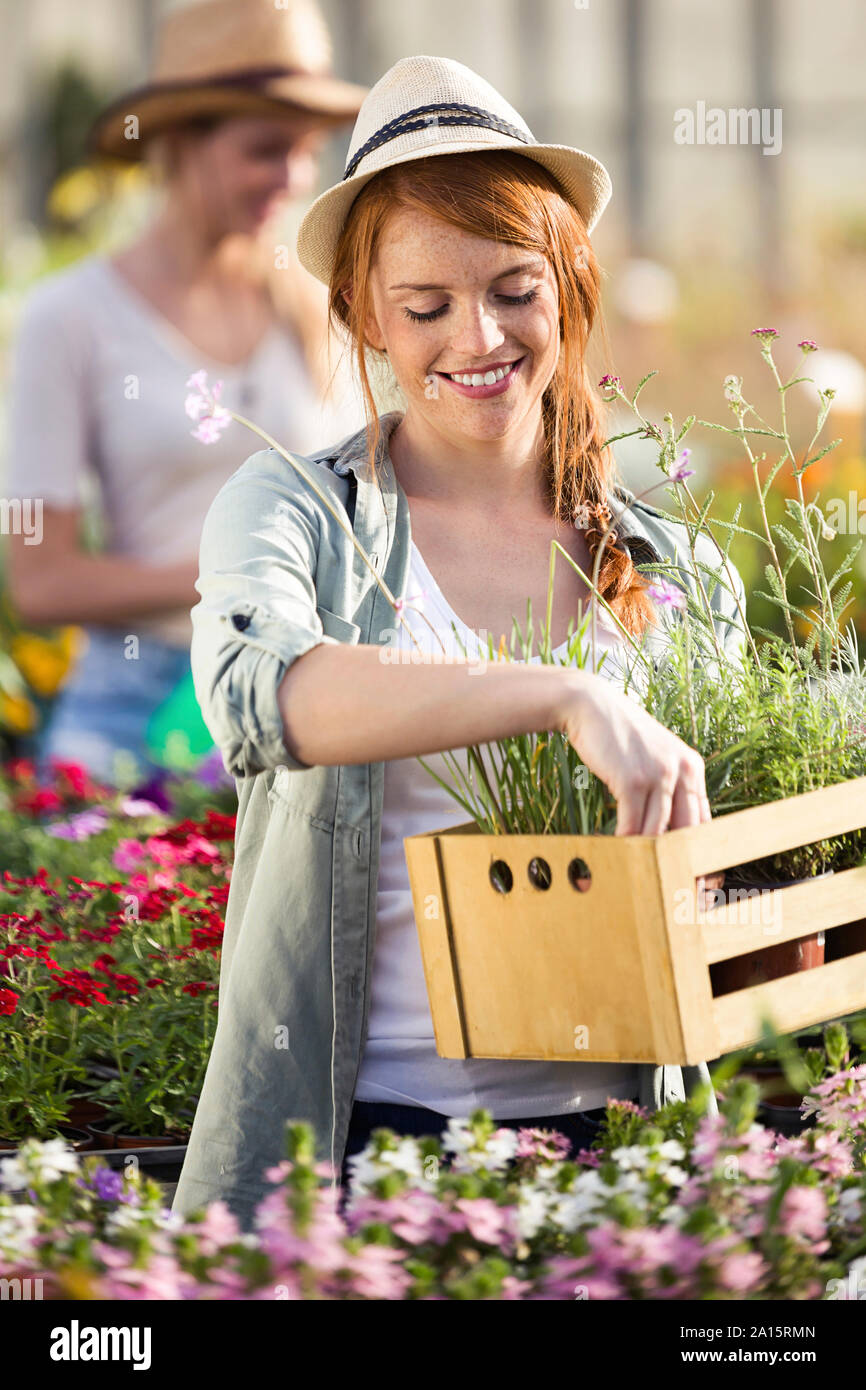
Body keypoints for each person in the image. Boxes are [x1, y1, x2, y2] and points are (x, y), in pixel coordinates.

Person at [171, 55, 746, 1230]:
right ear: (362, 317)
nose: (475, 337)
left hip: (623, 1157)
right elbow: (260, 693)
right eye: (424, 306)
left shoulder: (679, 567)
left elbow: (723, 880)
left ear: (569, 286)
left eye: (514, 289)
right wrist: (557, 696)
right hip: (366, 1151)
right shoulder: (296, 513)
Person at [3, 0, 368, 786]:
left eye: (306, 151)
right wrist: (242, 582)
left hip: (298, 698)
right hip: (132, 715)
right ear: (176, 143)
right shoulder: (70, 319)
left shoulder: (314, 301)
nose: (295, 178)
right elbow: (39, 579)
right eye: (265, 150)